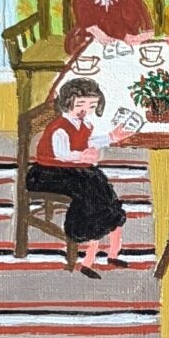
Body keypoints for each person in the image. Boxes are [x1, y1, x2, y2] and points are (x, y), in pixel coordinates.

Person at [24, 75, 128, 274]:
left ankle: (111, 248)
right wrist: (82, 156)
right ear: (67, 102)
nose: (85, 110)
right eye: (80, 104)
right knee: (86, 190)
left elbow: (86, 142)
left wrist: (111, 137)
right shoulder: (59, 127)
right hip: (47, 173)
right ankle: (81, 234)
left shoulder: (85, 124)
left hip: (70, 169)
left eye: (91, 106)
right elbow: (61, 153)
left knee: (100, 184)